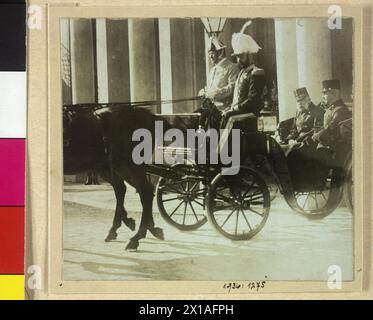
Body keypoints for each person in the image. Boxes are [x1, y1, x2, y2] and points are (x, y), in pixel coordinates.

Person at [220, 21, 266, 128]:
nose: (238, 60)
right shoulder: (242, 73)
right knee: (220, 115)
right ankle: (223, 144)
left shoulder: (257, 73)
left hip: (251, 113)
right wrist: (231, 107)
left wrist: (235, 108)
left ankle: (229, 145)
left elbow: (253, 100)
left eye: (241, 56)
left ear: (250, 55)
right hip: (241, 111)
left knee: (228, 117)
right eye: (237, 57)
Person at [199, 36, 239, 110]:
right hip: (209, 108)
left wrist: (215, 94)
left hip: (223, 109)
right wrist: (203, 91)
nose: (210, 56)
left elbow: (232, 88)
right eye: (209, 53)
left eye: (212, 53)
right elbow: (209, 88)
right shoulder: (212, 70)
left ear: (221, 52)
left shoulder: (232, 67)